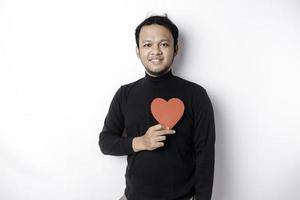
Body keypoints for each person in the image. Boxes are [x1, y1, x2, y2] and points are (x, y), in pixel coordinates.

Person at [99, 14, 216, 200]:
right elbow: (105, 142)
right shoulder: (125, 94)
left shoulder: (196, 95)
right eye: (147, 44)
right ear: (138, 50)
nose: (156, 51)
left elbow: (205, 154)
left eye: (164, 44)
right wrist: (141, 142)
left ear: (176, 48)